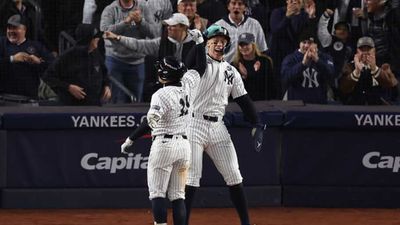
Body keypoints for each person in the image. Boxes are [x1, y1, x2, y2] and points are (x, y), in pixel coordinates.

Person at [184, 25, 265, 225]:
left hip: (218, 126)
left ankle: (245, 222)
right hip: (193, 123)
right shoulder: (199, 63)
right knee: (192, 177)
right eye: (215, 41)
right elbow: (190, 63)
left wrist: (256, 123)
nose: (219, 44)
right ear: (207, 43)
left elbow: (243, 99)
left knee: (234, 174)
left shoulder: (231, 70)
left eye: (223, 41)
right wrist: (198, 44)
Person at [120, 56, 202, 225]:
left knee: (157, 193)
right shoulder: (188, 85)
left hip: (164, 146)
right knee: (178, 195)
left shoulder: (161, 94)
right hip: (184, 147)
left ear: (164, 74)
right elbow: (200, 65)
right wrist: (199, 42)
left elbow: (150, 122)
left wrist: (131, 138)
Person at [43, 24, 111, 106]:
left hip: (94, 105)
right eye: (95, 37)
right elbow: (48, 77)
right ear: (87, 39)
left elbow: (104, 74)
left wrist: (106, 86)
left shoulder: (96, 54)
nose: (98, 39)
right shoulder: (68, 56)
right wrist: (68, 87)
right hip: (72, 107)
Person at [100, 0, 155, 103]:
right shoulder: (110, 9)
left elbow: (154, 33)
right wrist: (125, 22)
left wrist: (140, 22)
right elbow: (105, 32)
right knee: (114, 100)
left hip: (137, 61)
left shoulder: (144, 7)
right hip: (115, 60)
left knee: (136, 100)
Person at [268, 0, 317, 98]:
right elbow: (276, 32)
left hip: (297, 57)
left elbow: (308, 36)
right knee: (279, 89)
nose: (295, 2)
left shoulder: (304, 15)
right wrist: (287, 17)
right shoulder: (277, 12)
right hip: (279, 56)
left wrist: (311, 17)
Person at [0, 14, 54, 99]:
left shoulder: (36, 46)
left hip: (29, 99)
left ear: (24, 29)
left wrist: (39, 62)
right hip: (4, 97)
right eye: (9, 28)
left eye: (15, 28)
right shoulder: (2, 43)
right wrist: (12, 58)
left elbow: (53, 65)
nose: (11, 31)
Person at [339, 36, 398, 105]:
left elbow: (393, 87)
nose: (365, 52)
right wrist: (356, 71)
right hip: (354, 109)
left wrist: (374, 69)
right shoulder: (349, 67)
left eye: (368, 49)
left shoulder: (383, 66)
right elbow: (343, 89)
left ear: (374, 50)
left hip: (379, 110)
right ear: (357, 51)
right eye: (362, 49)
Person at [281, 33, 335, 104]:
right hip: (296, 105)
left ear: (316, 45)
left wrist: (317, 61)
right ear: (299, 44)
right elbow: (285, 78)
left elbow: (331, 76)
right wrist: (302, 64)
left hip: (319, 105)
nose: (306, 45)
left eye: (309, 43)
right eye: (304, 42)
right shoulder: (290, 58)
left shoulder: (325, 57)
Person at [232, 32, 275, 100]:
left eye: (246, 44)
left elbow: (271, 86)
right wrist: (244, 77)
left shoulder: (265, 61)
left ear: (253, 44)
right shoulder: (234, 65)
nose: (244, 47)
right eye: (241, 45)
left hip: (263, 103)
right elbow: (232, 91)